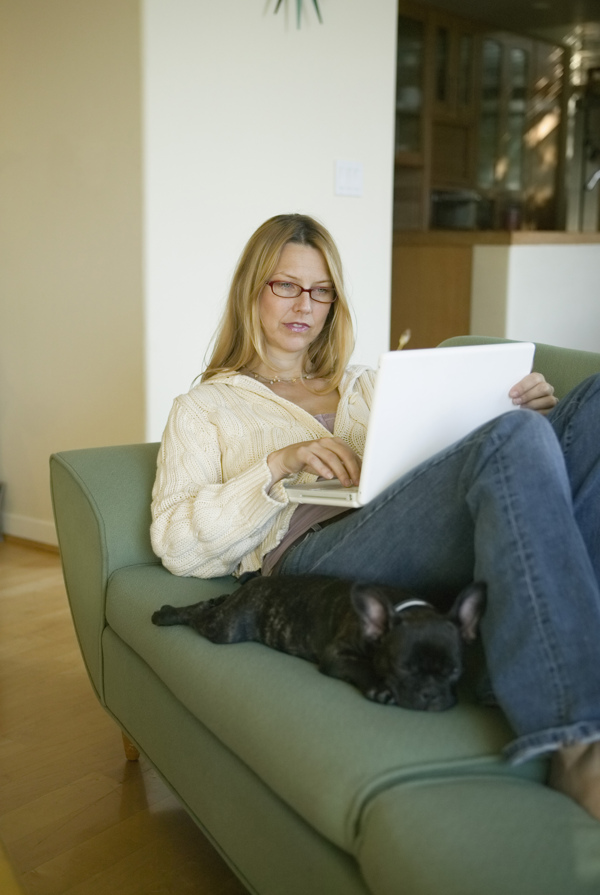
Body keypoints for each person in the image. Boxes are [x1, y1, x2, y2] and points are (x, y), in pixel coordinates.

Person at [151, 212, 600, 821]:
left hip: (401, 523)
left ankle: (527, 648)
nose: (303, 305)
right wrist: (276, 466)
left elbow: (458, 469)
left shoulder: (364, 384)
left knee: (590, 404)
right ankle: (574, 742)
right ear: (251, 290)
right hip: (317, 556)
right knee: (512, 440)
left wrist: (526, 416)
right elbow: (176, 543)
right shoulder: (205, 406)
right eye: (285, 285)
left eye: (320, 290)